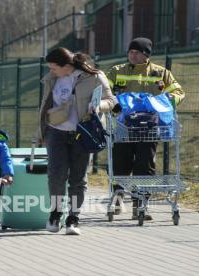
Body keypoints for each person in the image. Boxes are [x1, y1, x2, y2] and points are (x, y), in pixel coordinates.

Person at [37, 47, 115, 235]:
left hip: (83, 133)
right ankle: (55, 214)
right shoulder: (52, 78)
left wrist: (98, 106)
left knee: (78, 179)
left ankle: (73, 218)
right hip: (56, 132)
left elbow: (111, 100)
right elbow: (46, 104)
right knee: (56, 175)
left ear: (66, 65)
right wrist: (40, 132)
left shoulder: (94, 76)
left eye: (54, 67)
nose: (51, 70)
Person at [107, 37, 185, 220]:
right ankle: (117, 197)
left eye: (136, 52)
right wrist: (114, 105)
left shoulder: (161, 73)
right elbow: (105, 92)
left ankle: (140, 205)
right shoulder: (117, 71)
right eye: (130, 52)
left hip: (150, 127)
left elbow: (178, 92)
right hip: (121, 127)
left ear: (146, 55)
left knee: (145, 166)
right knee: (120, 164)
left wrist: (162, 103)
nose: (132, 55)